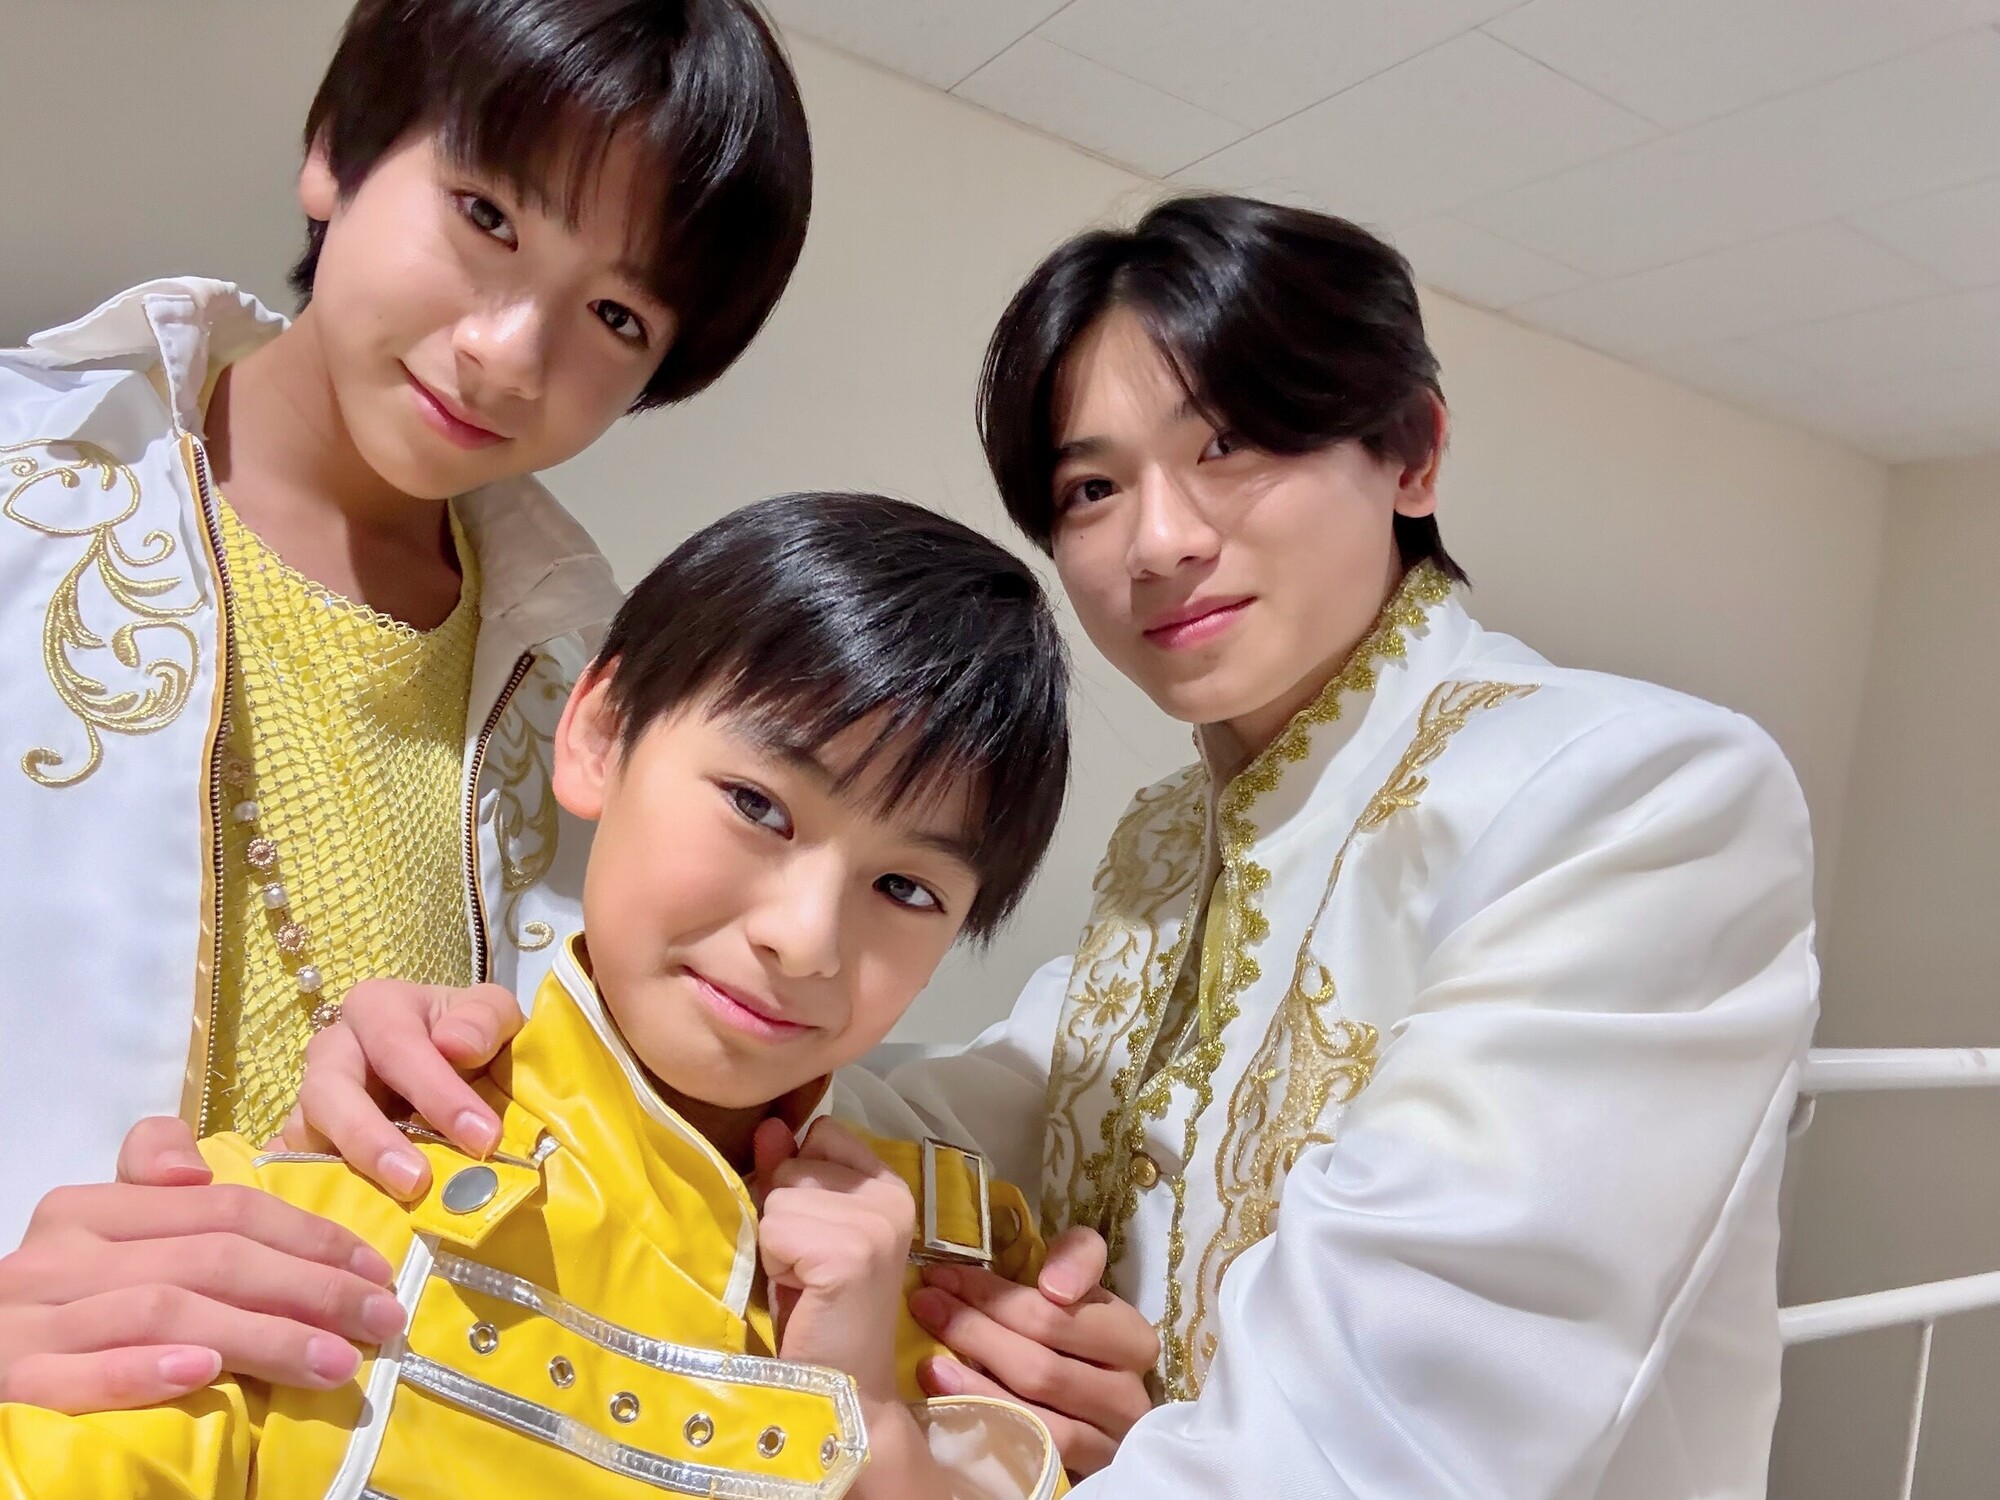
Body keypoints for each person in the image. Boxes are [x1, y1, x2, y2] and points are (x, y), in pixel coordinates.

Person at [278, 196, 1821, 1496]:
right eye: (1091, 488)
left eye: (1232, 447)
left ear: (1411, 452)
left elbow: (1395, 1437)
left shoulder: (1629, 794)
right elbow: (947, 1103)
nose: (1159, 540)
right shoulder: (1176, 853)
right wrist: (505, 1053)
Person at [0, 0, 810, 1412]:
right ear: (335, 149)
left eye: (615, 316)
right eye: (487, 217)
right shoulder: (31, 487)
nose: (507, 352)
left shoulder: (586, 696)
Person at [0, 491, 1075, 1500]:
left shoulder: (975, 1297)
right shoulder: (297, 1223)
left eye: (905, 889)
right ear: (598, 734)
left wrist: (874, 1428)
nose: (803, 942)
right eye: (757, 805)